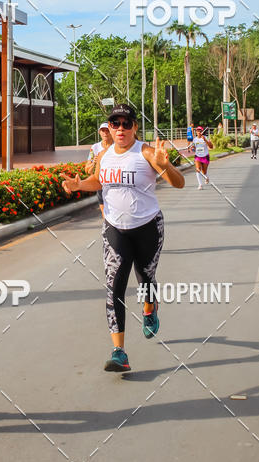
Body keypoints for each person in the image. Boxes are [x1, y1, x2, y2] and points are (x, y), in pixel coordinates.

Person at [61, 103, 185, 373]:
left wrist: (166, 166)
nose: (119, 129)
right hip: (114, 228)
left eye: (125, 124)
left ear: (135, 127)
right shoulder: (104, 154)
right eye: (114, 124)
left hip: (148, 226)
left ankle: (149, 309)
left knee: (145, 276)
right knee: (114, 285)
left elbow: (179, 183)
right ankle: (119, 352)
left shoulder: (147, 153)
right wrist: (79, 185)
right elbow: (98, 180)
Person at [85, 122, 112, 216]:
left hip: (115, 181)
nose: (105, 133)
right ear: (99, 132)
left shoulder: (117, 146)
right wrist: (94, 163)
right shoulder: (95, 147)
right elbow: (87, 170)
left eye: (107, 130)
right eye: (102, 131)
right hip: (101, 183)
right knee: (105, 214)